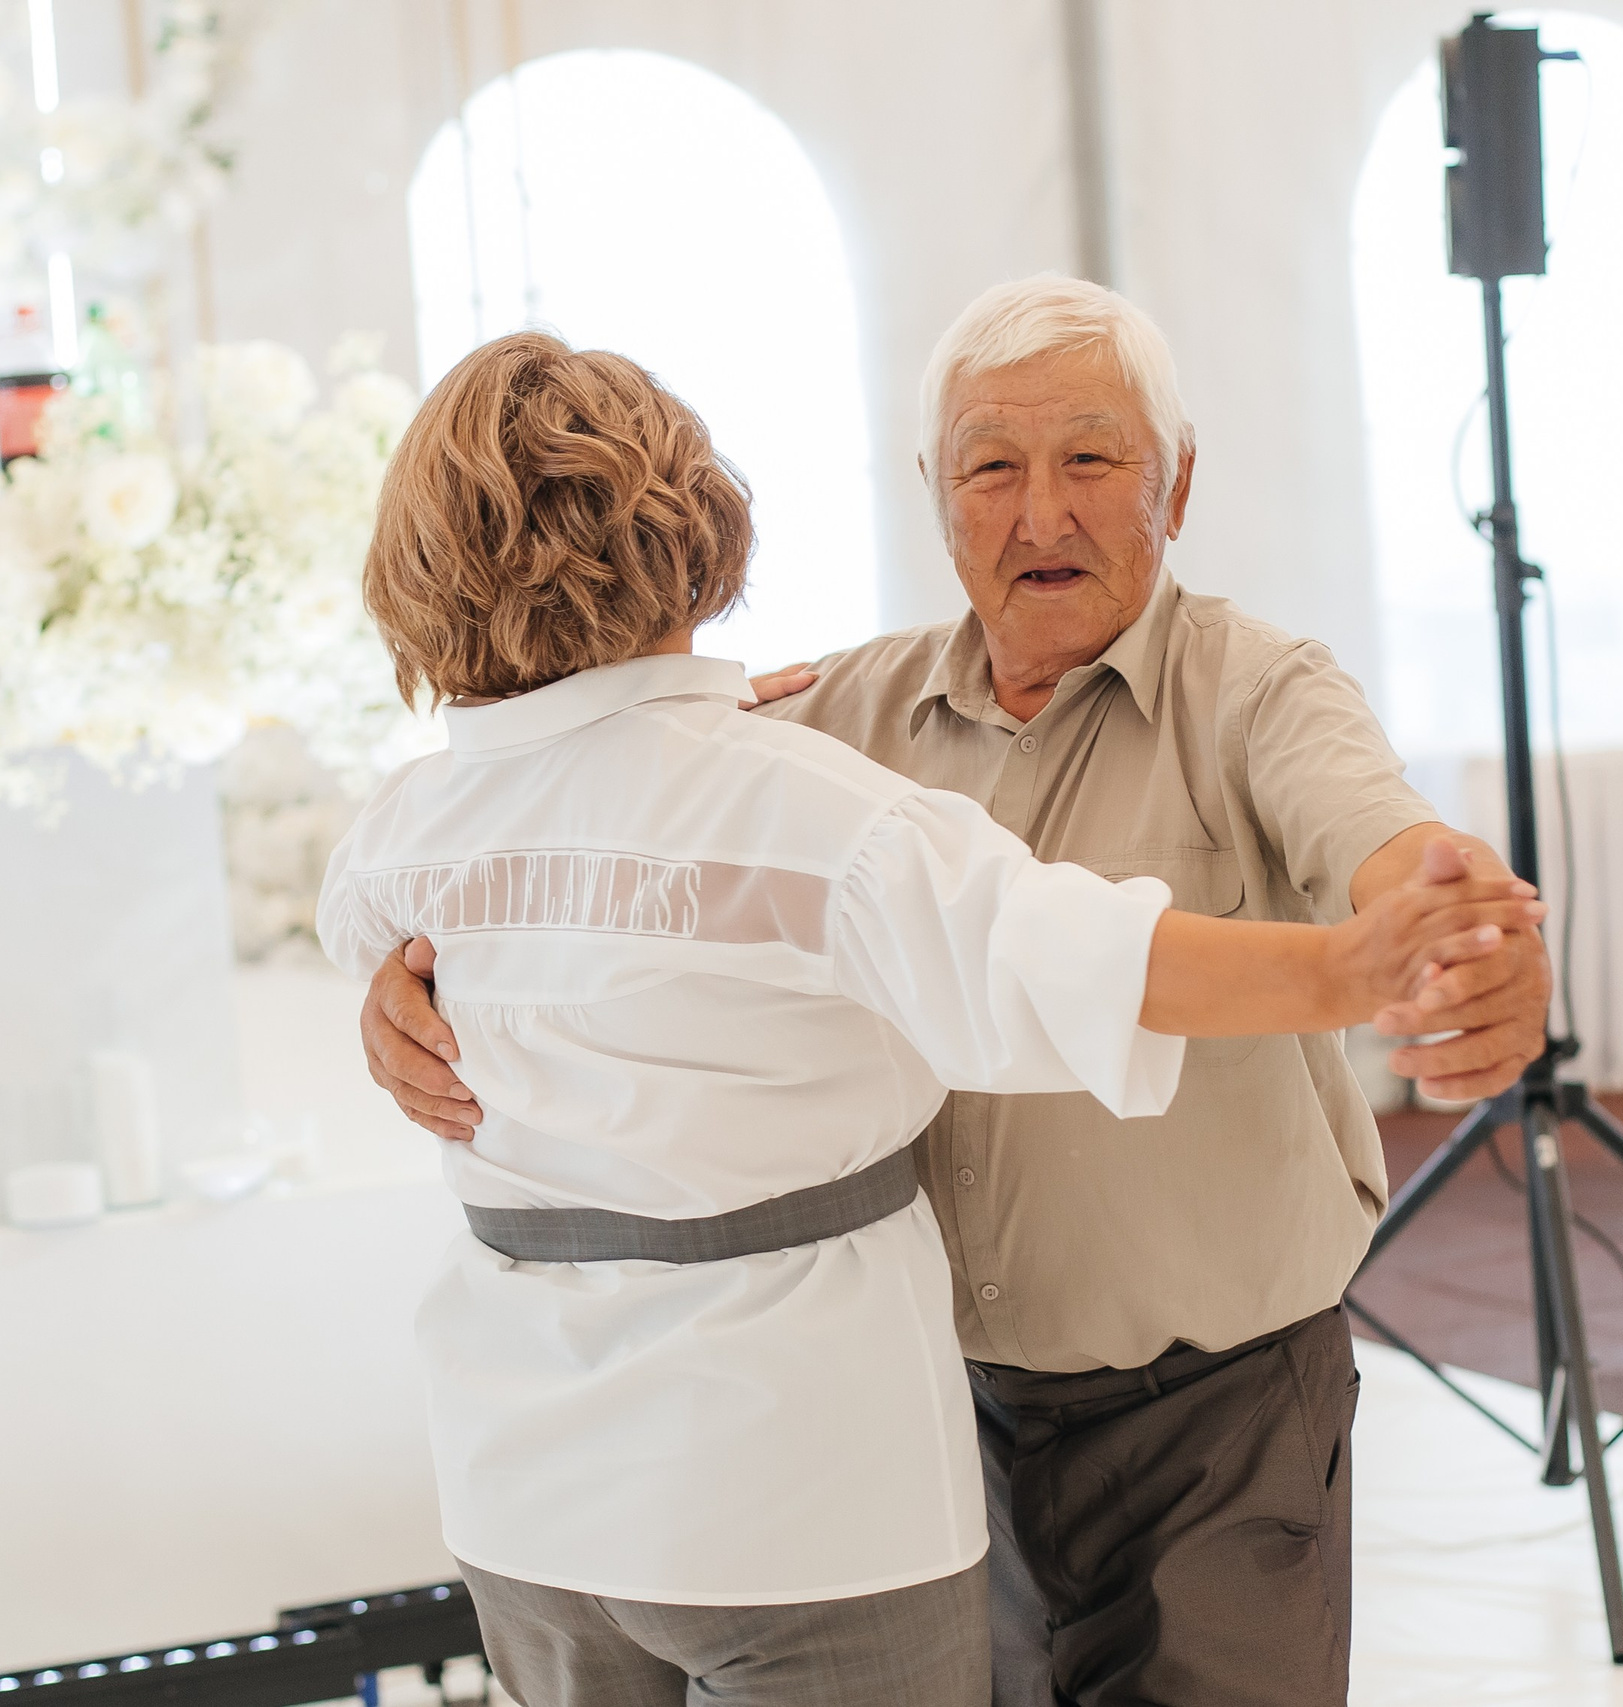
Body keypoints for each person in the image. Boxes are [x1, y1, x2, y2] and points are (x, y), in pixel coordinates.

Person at [360, 278, 1554, 1706]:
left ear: (1177, 485)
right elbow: (597, 842)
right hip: (943, 1409)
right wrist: (404, 983)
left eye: (1091, 459)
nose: (1041, 513)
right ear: (935, 495)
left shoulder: (1261, 691)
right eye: (992, 467)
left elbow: (1389, 843)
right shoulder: (826, 723)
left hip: (1211, 1415)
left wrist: (1459, 933)